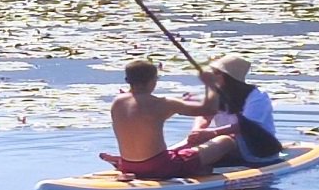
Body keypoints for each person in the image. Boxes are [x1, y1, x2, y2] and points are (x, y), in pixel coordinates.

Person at [100, 59, 232, 179]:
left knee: (182, 146)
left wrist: (178, 105)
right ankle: (193, 169)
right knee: (225, 141)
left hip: (129, 165)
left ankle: (120, 162)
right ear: (153, 80)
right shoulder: (164, 104)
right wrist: (211, 86)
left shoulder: (117, 102)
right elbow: (209, 110)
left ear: (127, 80)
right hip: (161, 167)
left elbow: (144, 115)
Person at [183, 54, 282, 166]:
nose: (213, 76)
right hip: (225, 142)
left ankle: (184, 163)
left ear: (229, 78)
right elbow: (205, 114)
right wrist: (198, 131)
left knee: (225, 140)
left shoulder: (257, 97)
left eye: (217, 73)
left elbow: (245, 126)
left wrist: (212, 133)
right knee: (192, 140)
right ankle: (169, 158)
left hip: (255, 148)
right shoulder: (217, 93)